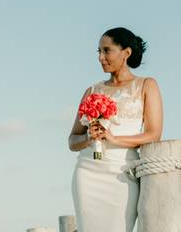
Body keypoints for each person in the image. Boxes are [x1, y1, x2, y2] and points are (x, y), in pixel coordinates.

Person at [69, 27, 163, 232]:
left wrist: (113, 138)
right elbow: (72, 141)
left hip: (121, 172)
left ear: (126, 53)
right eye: (98, 52)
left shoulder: (146, 85)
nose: (101, 57)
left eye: (107, 50)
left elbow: (154, 134)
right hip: (87, 173)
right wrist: (88, 137)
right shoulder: (92, 90)